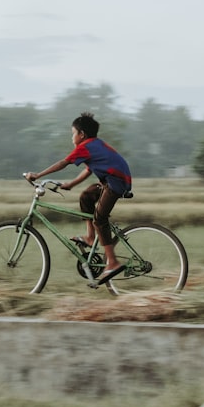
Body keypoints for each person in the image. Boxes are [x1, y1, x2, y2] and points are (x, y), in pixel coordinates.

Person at [25, 112, 132, 283]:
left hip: (115, 182)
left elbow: (63, 162)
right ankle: (90, 238)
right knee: (86, 196)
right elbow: (89, 169)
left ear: (82, 134)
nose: (72, 137)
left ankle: (112, 262)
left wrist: (38, 175)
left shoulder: (86, 147)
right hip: (112, 180)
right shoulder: (94, 145)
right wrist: (72, 184)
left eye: (73, 133)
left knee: (100, 220)